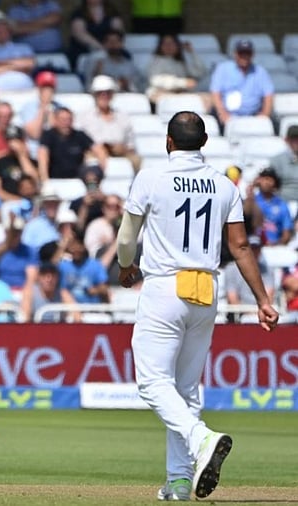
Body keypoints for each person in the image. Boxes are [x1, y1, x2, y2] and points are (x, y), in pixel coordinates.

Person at [116, 111, 279, 501]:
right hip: (206, 289)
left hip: (164, 288)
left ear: (168, 142)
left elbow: (126, 237)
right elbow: (240, 247)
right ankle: (178, 481)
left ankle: (201, 437)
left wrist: (125, 267)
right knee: (186, 391)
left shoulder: (151, 178)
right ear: (204, 142)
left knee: (153, 383)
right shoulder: (224, 186)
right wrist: (262, 299)